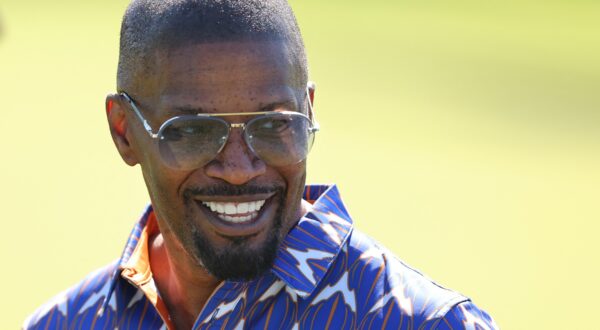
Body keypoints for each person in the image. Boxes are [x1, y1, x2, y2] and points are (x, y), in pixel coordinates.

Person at [24, 0, 498, 329]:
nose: (238, 168)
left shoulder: (419, 322)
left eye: (273, 126)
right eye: (192, 131)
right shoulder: (66, 323)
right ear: (124, 131)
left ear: (309, 113)